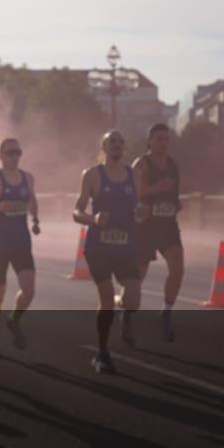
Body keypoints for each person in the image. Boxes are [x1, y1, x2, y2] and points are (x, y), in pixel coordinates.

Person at [72, 130, 149, 374]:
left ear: (124, 147)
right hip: (99, 248)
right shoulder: (93, 175)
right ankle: (102, 353)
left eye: (120, 141)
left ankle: (122, 307)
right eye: (111, 141)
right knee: (105, 298)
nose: (116, 145)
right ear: (104, 146)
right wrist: (93, 219)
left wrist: (140, 212)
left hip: (125, 246)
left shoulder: (134, 176)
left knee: (133, 301)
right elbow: (76, 211)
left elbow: (139, 205)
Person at [0, 138, 40, 356]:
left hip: (22, 242)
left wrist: (36, 219)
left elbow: (32, 200)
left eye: (17, 152)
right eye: (10, 153)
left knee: (29, 291)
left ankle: (13, 320)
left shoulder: (28, 178)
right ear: (0, 155)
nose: (14, 157)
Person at [132, 123, 184, 342]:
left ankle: (166, 311)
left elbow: (174, 191)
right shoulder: (141, 164)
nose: (164, 143)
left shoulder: (172, 164)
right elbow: (134, 193)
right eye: (159, 139)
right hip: (145, 225)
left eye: (166, 139)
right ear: (150, 140)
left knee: (178, 267)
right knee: (139, 274)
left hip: (168, 225)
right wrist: (157, 189)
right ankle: (127, 312)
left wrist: (176, 203)